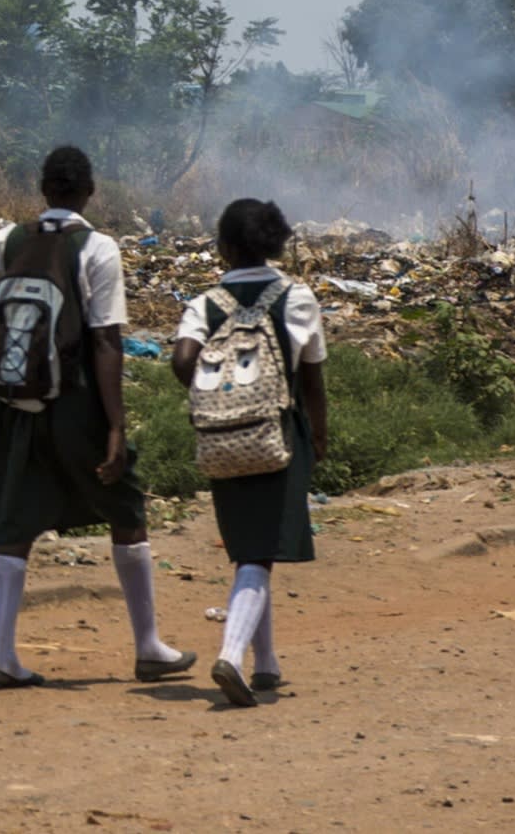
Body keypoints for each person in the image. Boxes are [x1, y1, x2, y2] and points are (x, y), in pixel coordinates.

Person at [0, 146, 194, 690]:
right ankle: (147, 647)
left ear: (44, 190)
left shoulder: (11, 239)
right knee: (126, 507)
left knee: (15, 522)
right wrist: (116, 425)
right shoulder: (97, 247)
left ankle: (2, 655)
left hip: (12, 401)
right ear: (89, 192)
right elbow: (105, 340)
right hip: (73, 402)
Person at [172, 198, 328, 708]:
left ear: (224, 246)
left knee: (249, 549)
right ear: (276, 242)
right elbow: (312, 380)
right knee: (260, 552)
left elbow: (181, 361)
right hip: (277, 434)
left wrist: (219, 393)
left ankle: (267, 663)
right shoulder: (297, 297)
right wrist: (320, 437)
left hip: (222, 437)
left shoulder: (206, 303)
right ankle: (232, 657)